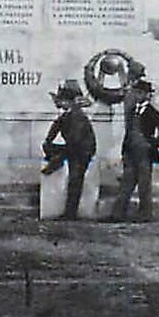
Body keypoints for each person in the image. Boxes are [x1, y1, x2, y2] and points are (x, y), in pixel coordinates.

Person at [110, 74, 159, 222]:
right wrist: (124, 150)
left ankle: (145, 214)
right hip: (130, 151)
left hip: (144, 152)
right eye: (136, 92)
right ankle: (118, 214)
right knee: (127, 183)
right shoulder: (132, 110)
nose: (137, 95)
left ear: (147, 95)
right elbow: (128, 131)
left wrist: (153, 145)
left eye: (140, 93)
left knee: (144, 184)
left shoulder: (152, 112)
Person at [41, 80, 97, 220]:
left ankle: (70, 213)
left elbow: (75, 141)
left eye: (60, 100)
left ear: (67, 101)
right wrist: (48, 142)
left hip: (82, 151)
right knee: (72, 177)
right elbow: (56, 127)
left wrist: (59, 156)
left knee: (75, 180)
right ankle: (55, 163)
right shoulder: (67, 114)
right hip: (75, 148)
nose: (58, 103)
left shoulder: (77, 115)